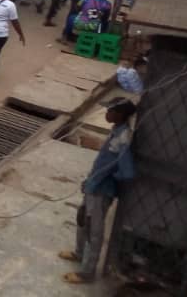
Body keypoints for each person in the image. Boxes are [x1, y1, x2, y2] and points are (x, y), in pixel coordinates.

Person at [59, 97, 137, 284]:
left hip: (101, 191)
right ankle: (79, 253)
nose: (107, 114)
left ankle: (87, 273)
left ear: (120, 115)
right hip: (93, 186)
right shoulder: (116, 131)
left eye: (110, 111)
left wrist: (106, 179)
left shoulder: (123, 138)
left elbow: (127, 172)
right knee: (82, 219)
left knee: (94, 231)